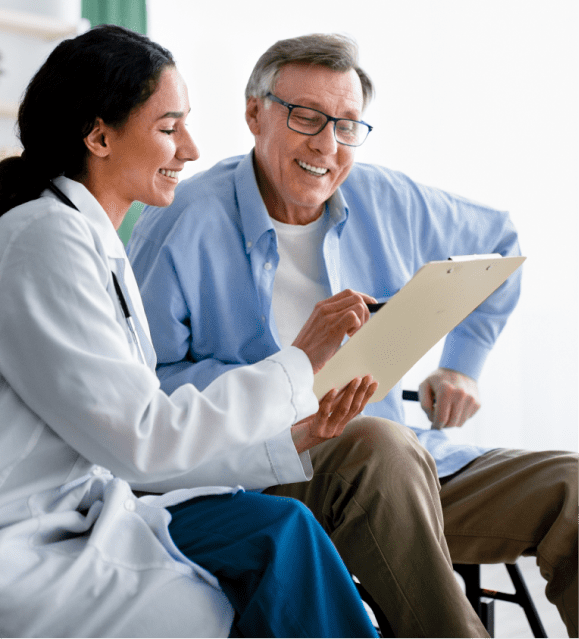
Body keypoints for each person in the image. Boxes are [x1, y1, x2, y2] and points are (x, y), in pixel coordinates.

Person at [0, 25, 381, 639]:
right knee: (242, 584)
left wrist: (291, 438)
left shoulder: (93, 243)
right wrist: (298, 362)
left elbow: (133, 443)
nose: (190, 148)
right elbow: (141, 442)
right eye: (168, 127)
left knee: (282, 531)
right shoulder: (43, 240)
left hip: (71, 516)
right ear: (99, 135)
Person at [128, 33, 578, 639]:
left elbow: (499, 241)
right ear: (254, 113)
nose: (326, 145)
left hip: (409, 471)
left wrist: (462, 365)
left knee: (571, 486)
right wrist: (292, 374)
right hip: (268, 472)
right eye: (306, 117)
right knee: (377, 444)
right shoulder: (182, 221)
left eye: (346, 126)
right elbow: (143, 389)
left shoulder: (387, 197)